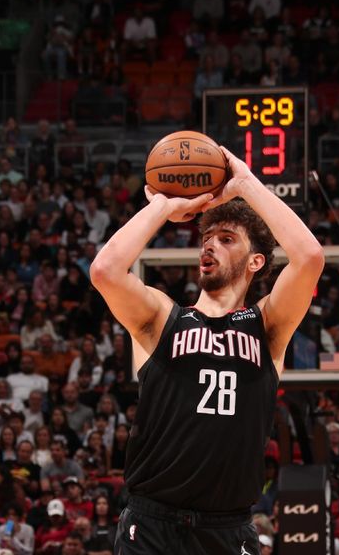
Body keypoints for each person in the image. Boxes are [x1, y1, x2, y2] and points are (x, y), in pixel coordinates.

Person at [90, 146, 324, 554]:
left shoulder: (266, 325)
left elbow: (309, 257)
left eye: (227, 238)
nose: (210, 245)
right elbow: (105, 271)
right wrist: (162, 205)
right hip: (151, 525)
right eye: (207, 237)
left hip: (227, 529)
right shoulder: (163, 317)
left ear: (255, 262)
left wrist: (246, 185)